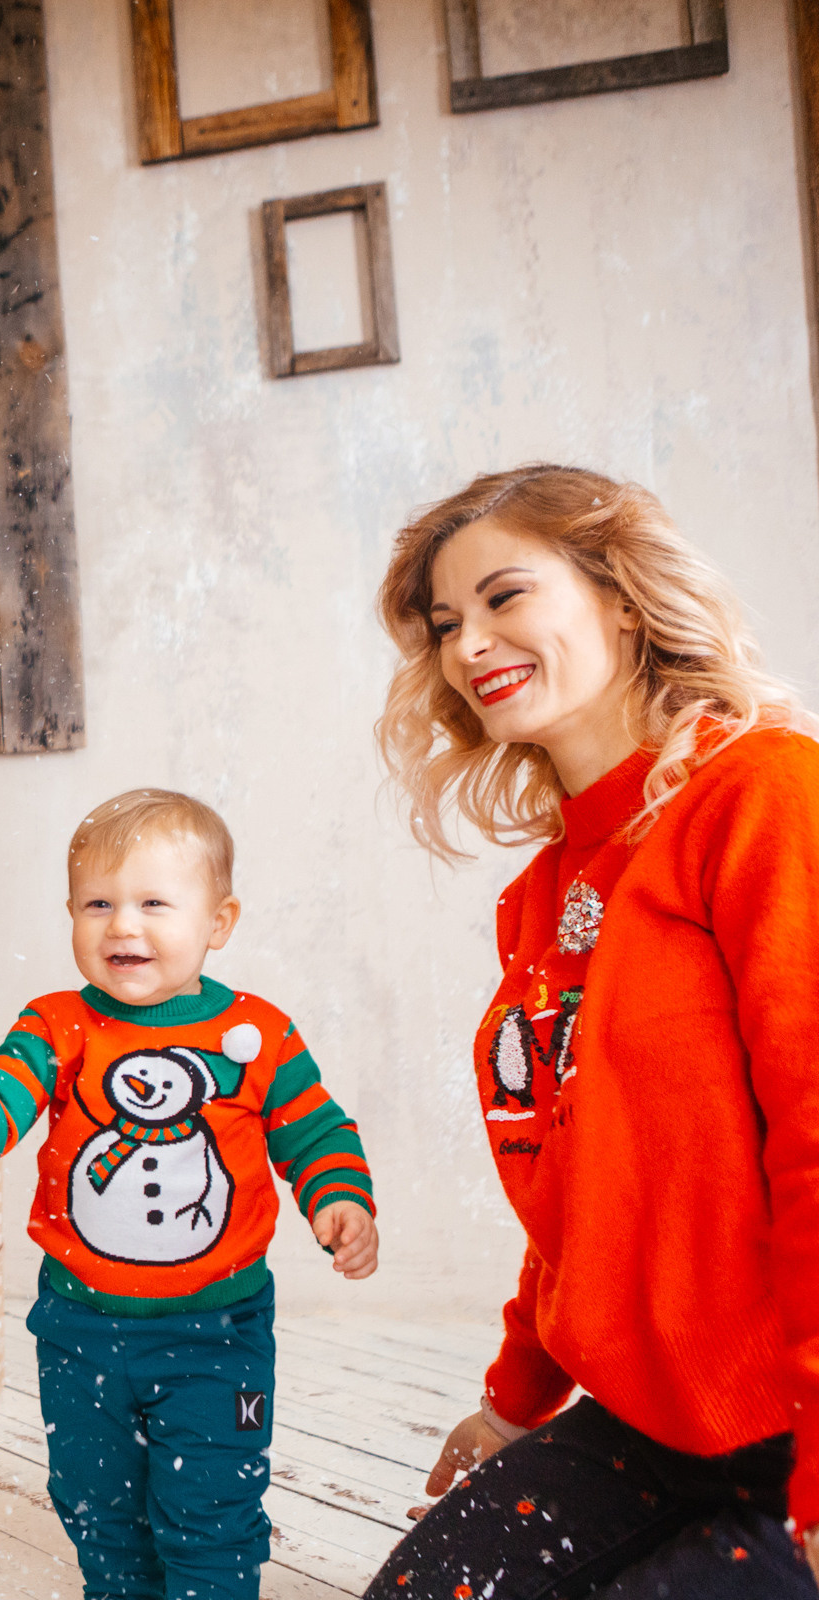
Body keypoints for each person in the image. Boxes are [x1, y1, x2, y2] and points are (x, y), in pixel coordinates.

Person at [364, 464, 819, 1598]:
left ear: (621, 597)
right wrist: (516, 1396)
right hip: (659, 1429)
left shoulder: (762, 793)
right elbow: (580, 1179)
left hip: (794, 1426)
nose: (471, 644)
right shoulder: (544, 893)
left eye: (506, 597)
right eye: (445, 623)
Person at [0, 787, 379, 1600]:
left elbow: (315, 1129)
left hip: (220, 1333)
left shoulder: (257, 1034)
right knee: (96, 1507)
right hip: (83, 1332)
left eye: (154, 903)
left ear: (217, 923)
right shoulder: (57, 1026)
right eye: (98, 904)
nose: (122, 925)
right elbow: (1, 1103)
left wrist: (339, 1200)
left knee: (211, 1506)